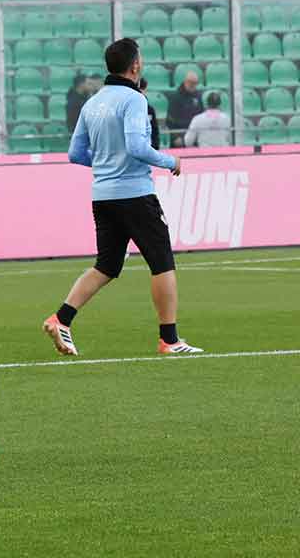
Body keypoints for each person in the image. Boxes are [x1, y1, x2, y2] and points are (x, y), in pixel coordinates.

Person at [43, 38, 203, 357]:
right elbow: (137, 147)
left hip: (103, 196)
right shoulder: (134, 99)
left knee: (107, 265)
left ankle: (61, 318)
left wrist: (106, 162)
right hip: (134, 194)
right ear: (135, 65)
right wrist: (170, 161)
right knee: (162, 263)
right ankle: (169, 339)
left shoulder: (93, 102)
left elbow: (75, 153)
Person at [167, 71, 203, 148]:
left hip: (194, 136)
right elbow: (170, 120)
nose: (193, 85)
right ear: (185, 82)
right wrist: (175, 137)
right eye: (191, 83)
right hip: (179, 136)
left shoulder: (198, 96)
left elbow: (201, 115)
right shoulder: (175, 97)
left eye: (195, 83)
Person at [138, 77, 160, 150]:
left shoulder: (150, 110)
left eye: (143, 88)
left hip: (149, 149)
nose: (141, 92)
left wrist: (154, 147)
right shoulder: (128, 109)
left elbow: (155, 131)